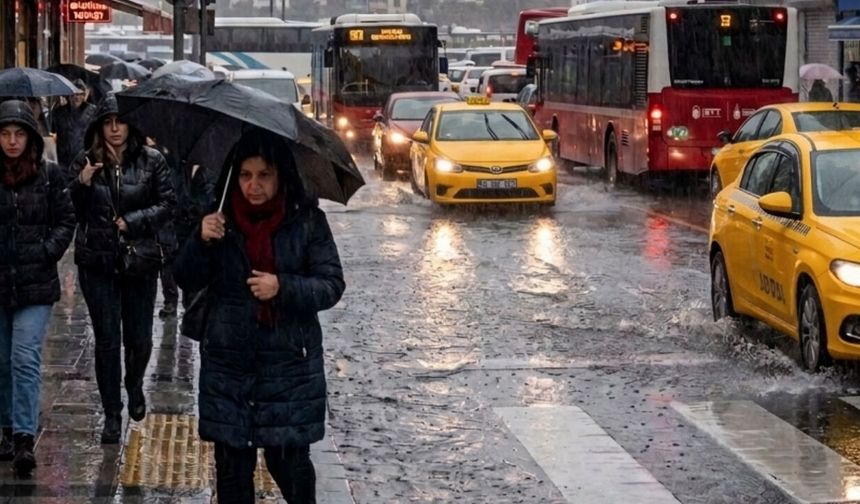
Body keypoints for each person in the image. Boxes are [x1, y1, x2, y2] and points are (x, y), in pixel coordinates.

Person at [174, 128, 345, 503]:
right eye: (246, 175)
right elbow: (184, 277)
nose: (253, 185)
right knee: (233, 477)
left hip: (288, 368)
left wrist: (282, 286)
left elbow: (331, 284)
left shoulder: (307, 221)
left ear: (281, 175)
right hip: (229, 365)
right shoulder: (218, 219)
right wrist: (200, 240)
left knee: (292, 471)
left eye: (264, 175)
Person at [68, 94, 175, 444]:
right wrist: (82, 182)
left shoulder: (152, 160)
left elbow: (167, 203)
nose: (114, 129)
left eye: (120, 121)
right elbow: (71, 209)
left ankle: (134, 385)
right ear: (100, 127)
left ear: (131, 125)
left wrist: (132, 221)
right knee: (107, 341)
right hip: (97, 263)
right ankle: (112, 414)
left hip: (139, 262)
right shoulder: (85, 161)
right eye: (108, 122)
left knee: (140, 339)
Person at [0, 100, 76, 476]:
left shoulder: (49, 174)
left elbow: (66, 220)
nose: (12, 142)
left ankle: (24, 438)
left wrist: (46, 252)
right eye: (5, 134)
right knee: (2, 362)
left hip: (35, 284)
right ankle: (6, 427)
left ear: (29, 137)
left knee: (24, 358)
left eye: (18, 134)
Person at [51, 79, 96, 175]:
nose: (77, 97)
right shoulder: (58, 112)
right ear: (69, 95)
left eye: (80, 94)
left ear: (84, 95)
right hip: (62, 162)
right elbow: (52, 132)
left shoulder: (92, 111)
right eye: (74, 94)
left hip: (84, 161)